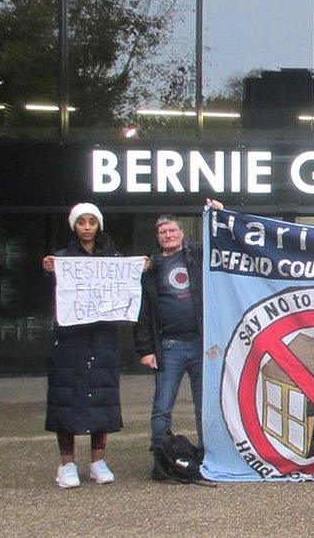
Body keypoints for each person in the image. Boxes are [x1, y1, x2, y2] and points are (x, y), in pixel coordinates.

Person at [41, 203, 128, 488]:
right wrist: (50, 272)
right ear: (74, 226)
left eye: (92, 221)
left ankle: (97, 461)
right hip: (70, 340)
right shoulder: (63, 258)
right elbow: (50, 299)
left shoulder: (113, 258)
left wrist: (142, 269)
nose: (88, 227)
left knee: (102, 399)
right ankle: (67, 464)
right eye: (82, 222)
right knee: (66, 400)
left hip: (102, 339)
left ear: (99, 225)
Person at [134, 199, 220, 481]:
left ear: (182, 233)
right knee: (162, 405)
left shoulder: (197, 256)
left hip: (199, 344)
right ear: (158, 238)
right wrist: (145, 348)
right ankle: (161, 457)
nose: (168, 235)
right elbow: (143, 311)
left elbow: (219, 240)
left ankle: (207, 455)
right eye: (163, 232)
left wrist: (218, 213)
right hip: (168, 346)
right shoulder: (151, 268)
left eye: (172, 230)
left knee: (203, 404)